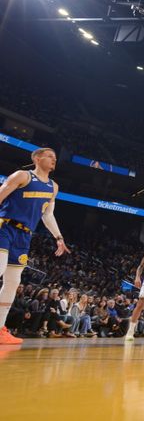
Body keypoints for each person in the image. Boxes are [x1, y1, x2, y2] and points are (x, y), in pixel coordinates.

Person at [0, 148, 70, 345]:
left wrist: (58, 237)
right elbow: (1, 194)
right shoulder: (22, 175)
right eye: (50, 156)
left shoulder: (54, 186)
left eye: (55, 157)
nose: (54, 159)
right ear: (37, 159)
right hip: (5, 226)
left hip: (24, 235)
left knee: (13, 282)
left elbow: (47, 215)